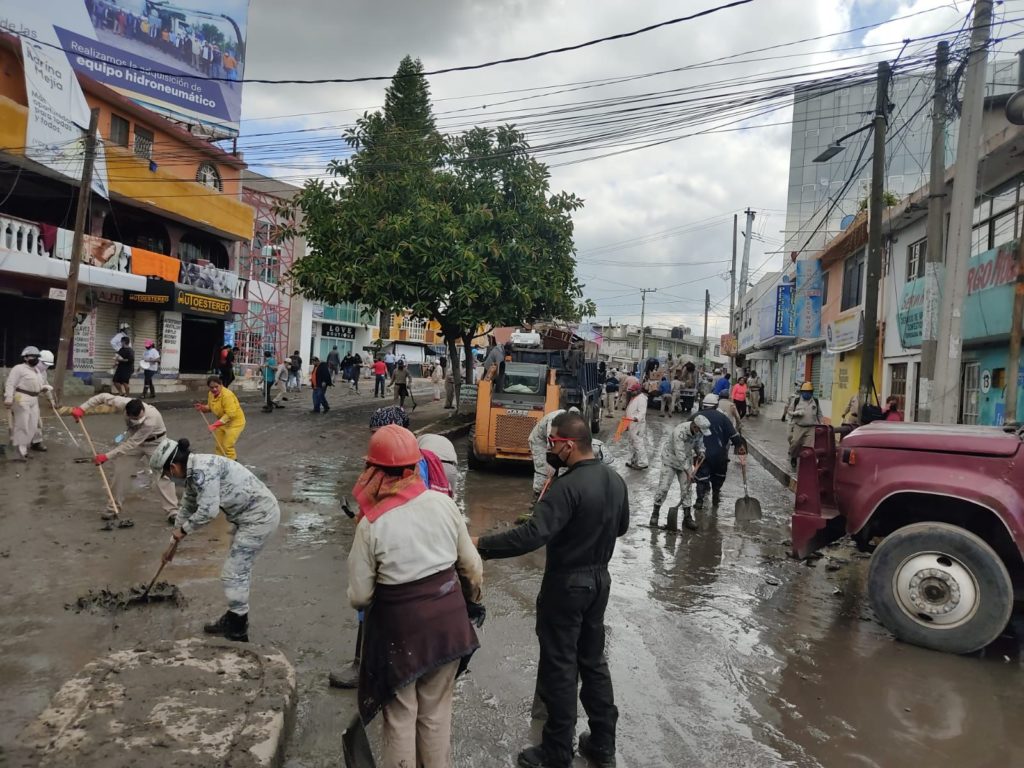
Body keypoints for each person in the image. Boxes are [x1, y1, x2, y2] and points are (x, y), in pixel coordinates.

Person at [473, 412, 628, 768]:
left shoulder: (566, 486)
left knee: (560, 665)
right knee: (593, 661)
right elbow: (620, 528)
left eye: (553, 444)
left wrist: (480, 543)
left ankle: (557, 751)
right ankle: (603, 742)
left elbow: (532, 535)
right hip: (599, 582)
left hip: (567, 583)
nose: (549, 450)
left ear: (569, 445)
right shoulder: (615, 481)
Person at [347, 425, 483, 767]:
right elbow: (472, 567)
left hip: (400, 636)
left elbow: (360, 597)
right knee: (436, 714)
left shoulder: (371, 525)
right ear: (415, 466)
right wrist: (473, 602)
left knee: (401, 718)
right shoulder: (443, 503)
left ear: (373, 471)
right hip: (450, 629)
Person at [152, 437, 280, 642]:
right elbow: (187, 506)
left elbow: (209, 511)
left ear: (174, 467)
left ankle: (238, 629)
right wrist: (172, 544)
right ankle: (235, 616)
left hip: (259, 517)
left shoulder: (203, 471)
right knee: (238, 570)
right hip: (245, 518)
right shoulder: (193, 472)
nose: (169, 477)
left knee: (233, 573)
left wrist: (184, 531)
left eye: (167, 473)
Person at [71, 394, 177, 521]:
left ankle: (172, 511)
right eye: (133, 418)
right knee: (119, 472)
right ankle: (113, 508)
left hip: (155, 443)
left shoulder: (151, 419)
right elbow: (102, 397)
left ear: (143, 411)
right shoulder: (122, 403)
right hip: (134, 441)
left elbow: (132, 444)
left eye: (138, 418)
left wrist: (107, 456)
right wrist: (83, 408)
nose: (136, 420)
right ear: (126, 411)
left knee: (162, 475)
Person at [650, 415, 710, 532]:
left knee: (687, 489)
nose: (700, 433)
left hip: (686, 461)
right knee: (663, 487)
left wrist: (701, 452)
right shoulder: (680, 431)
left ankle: (687, 517)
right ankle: (655, 513)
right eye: (700, 430)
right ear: (694, 426)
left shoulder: (699, 432)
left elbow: (699, 444)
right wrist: (689, 472)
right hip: (670, 460)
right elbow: (680, 453)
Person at [696, 394, 747, 509]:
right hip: (720, 454)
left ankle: (699, 500)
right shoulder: (723, 417)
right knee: (718, 477)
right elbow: (734, 435)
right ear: (716, 405)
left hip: (702, 454)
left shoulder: (696, 416)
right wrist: (739, 445)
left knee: (702, 477)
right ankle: (715, 495)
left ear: (703, 405)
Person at [3, 346, 51, 461]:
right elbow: (10, 384)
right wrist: (8, 397)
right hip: (21, 398)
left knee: (32, 425)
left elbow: (38, 385)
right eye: (31, 356)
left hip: (34, 399)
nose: (34, 358)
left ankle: (23, 449)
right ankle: (20, 452)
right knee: (22, 424)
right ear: (25, 358)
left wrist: (43, 389)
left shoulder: (37, 371)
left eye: (36, 357)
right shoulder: (18, 369)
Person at [526, 407, 579, 497]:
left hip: (552, 443)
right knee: (543, 469)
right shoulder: (555, 421)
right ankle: (538, 495)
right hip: (539, 442)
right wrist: (551, 465)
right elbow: (552, 442)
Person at [195, 375, 245, 460]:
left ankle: (232, 463)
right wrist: (203, 408)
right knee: (219, 445)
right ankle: (221, 462)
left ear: (221, 385)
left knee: (227, 445)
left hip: (235, 423)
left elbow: (230, 414)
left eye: (216, 387)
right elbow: (211, 407)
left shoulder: (227, 395)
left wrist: (215, 425)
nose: (214, 389)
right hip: (222, 422)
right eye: (211, 387)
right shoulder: (211, 394)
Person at [788, 382, 821, 469]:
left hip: (811, 427)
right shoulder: (796, 400)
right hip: (799, 426)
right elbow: (789, 411)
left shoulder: (815, 401)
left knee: (809, 447)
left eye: (809, 392)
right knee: (795, 443)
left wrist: (821, 424)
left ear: (812, 392)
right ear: (802, 392)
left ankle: (805, 463)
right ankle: (794, 457)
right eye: (805, 392)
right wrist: (796, 413)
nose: (807, 393)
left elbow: (819, 414)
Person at [624, 381, 649, 469]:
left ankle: (643, 463)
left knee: (638, 443)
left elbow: (642, 412)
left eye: (633, 390)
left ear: (638, 390)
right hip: (632, 423)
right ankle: (633, 460)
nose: (631, 392)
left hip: (637, 424)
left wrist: (636, 418)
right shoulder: (634, 397)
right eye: (631, 390)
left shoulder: (641, 399)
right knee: (632, 442)